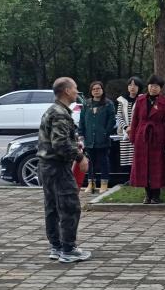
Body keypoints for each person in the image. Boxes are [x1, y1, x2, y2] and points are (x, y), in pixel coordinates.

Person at [37, 77, 92, 263]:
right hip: (57, 167)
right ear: (67, 91)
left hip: (46, 166)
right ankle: (68, 249)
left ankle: (56, 246)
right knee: (69, 207)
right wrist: (80, 157)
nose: (77, 91)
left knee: (52, 207)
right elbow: (60, 143)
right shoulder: (60, 114)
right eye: (75, 88)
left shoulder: (53, 110)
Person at [129, 74, 165, 204]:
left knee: (157, 165)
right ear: (148, 86)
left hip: (158, 136)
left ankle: (156, 195)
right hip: (142, 136)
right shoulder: (140, 100)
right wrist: (133, 136)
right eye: (151, 86)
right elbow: (135, 119)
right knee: (143, 165)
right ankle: (147, 194)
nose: (153, 88)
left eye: (156, 86)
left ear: (160, 88)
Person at [77, 80, 116, 194]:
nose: (96, 91)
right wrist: (81, 134)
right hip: (89, 138)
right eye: (94, 89)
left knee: (104, 161)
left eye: (98, 88)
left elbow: (112, 121)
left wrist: (105, 133)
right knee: (90, 162)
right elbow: (82, 120)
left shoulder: (108, 104)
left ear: (102, 90)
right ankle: (91, 184)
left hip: (102, 139)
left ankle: (104, 184)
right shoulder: (87, 103)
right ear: (91, 91)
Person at [116, 77, 143, 173]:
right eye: (130, 85)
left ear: (139, 87)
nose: (132, 87)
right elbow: (119, 116)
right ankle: (129, 178)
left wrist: (135, 128)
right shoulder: (122, 100)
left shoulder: (142, 99)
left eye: (135, 85)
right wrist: (126, 127)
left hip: (139, 132)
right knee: (127, 158)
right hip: (126, 132)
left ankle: (138, 177)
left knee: (138, 157)